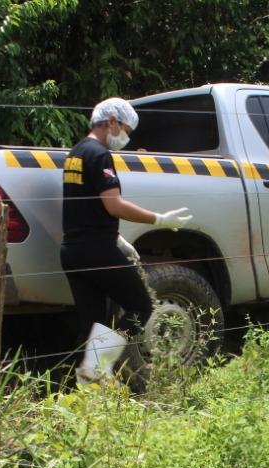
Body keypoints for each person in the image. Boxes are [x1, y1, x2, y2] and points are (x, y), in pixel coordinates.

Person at [62, 97, 192, 383]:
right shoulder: (99, 154)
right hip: (97, 250)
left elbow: (86, 206)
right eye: (126, 130)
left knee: (92, 323)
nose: (125, 137)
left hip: (73, 250)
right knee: (141, 306)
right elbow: (114, 205)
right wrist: (159, 219)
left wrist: (117, 237)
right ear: (111, 122)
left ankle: (82, 388)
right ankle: (97, 366)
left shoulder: (76, 153)